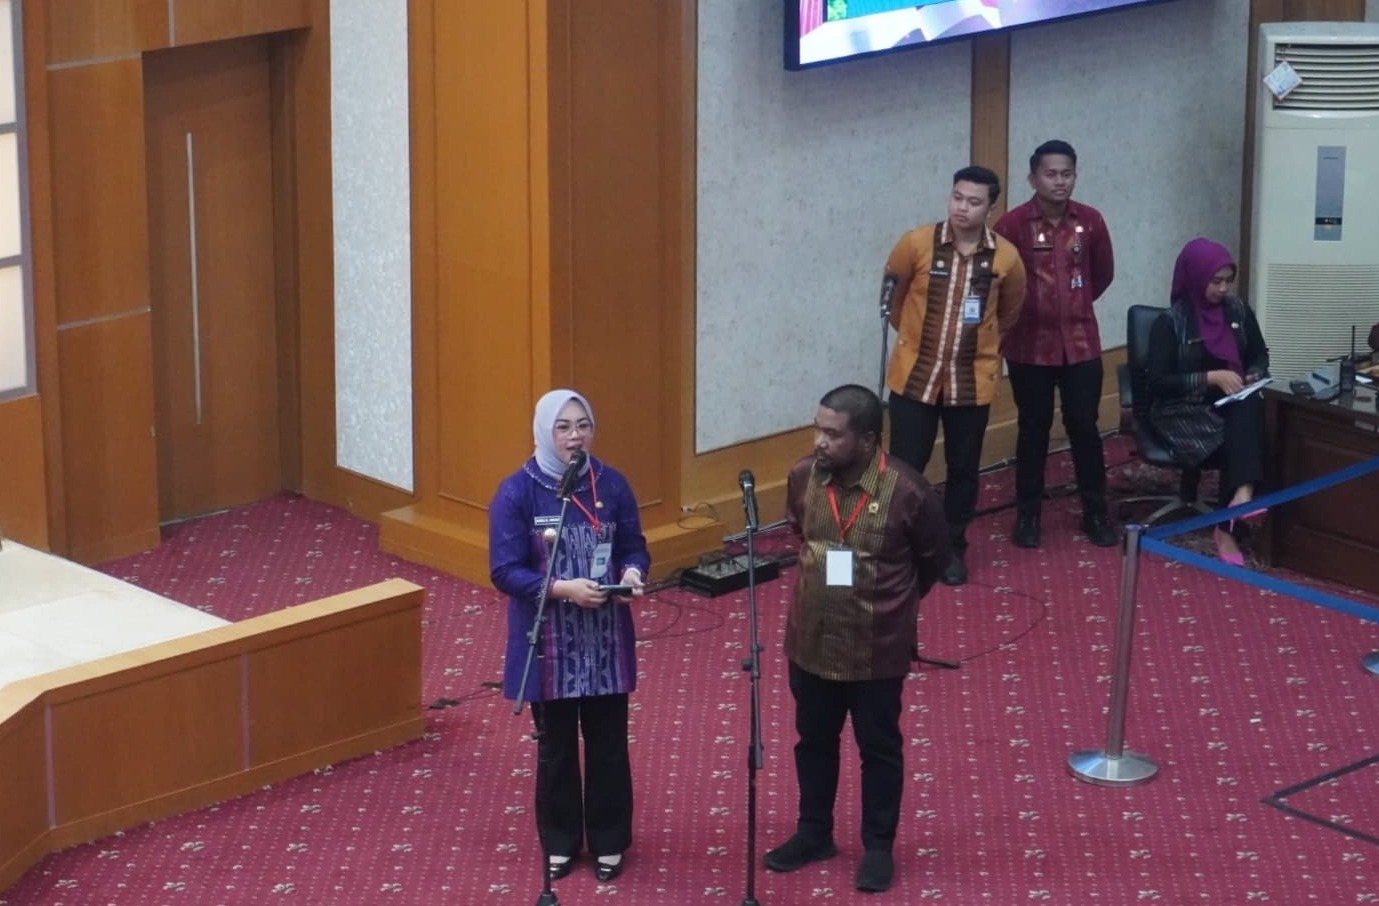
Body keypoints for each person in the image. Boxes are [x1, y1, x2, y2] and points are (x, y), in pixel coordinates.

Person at [764, 384, 950, 893]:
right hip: (812, 640)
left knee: (879, 749)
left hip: (876, 648)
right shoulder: (804, 476)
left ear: (867, 440)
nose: (819, 442)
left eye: (833, 434)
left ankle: (878, 847)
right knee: (813, 742)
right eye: (818, 430)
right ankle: (813, 833)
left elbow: (933, 558)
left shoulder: (908, 491)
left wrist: (896, 604)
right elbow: (801, 531)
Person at [489, 389, 650, 883]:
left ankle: (609, 840)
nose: (575, 436)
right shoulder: (518, 492)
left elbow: (634, 547)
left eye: (583, 425)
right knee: (556, 749)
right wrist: (562, 589)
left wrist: (631, 575)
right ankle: (560, 841)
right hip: (550, 646)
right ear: (544, 432)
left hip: (605, 641)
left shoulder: (612, 484)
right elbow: (504, 571)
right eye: (563, 427)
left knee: (608, 745)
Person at [881, 165, 1026, 586]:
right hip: (915, 376)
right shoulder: (916, 243)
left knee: (963, 469)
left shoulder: (1007, 257)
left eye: (974, 202)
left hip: (972, 381)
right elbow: (893, 299)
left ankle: (951, 547)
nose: (962, 208)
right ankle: (901, 547)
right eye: (957, 197)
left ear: (991, 208)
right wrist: (916, 340)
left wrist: (979, 348)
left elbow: (1010, 312)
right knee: (905, 469)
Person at [993, 139, 1118, 550]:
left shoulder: (1091, 221)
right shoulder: (1012, 225)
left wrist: (1072, 306)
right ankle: (1028, 515)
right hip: (1029, 346)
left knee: (1084, 427)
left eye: (1067, 174)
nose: (1059, 181)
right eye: (1051, 174)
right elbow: (1001, 282)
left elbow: (1102, 274)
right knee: (1034, 429)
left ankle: (1096, 513)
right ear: (1033, 178)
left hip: (1081, 344)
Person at [1146, 238, 1270, 565]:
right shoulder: (1171, 323)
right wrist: (1211, 377)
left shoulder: (1238, 311)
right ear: (1196, 278)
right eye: (1215, 281)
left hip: (1231, 402)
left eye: (1228, 281)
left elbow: (1259, 354)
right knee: (1243, 435)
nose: (1223, 289)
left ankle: (1233, 512)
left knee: (1249, 413)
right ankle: (1236, 510)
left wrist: (1254, 373)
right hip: (1182, 411)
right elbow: (1157, 384)